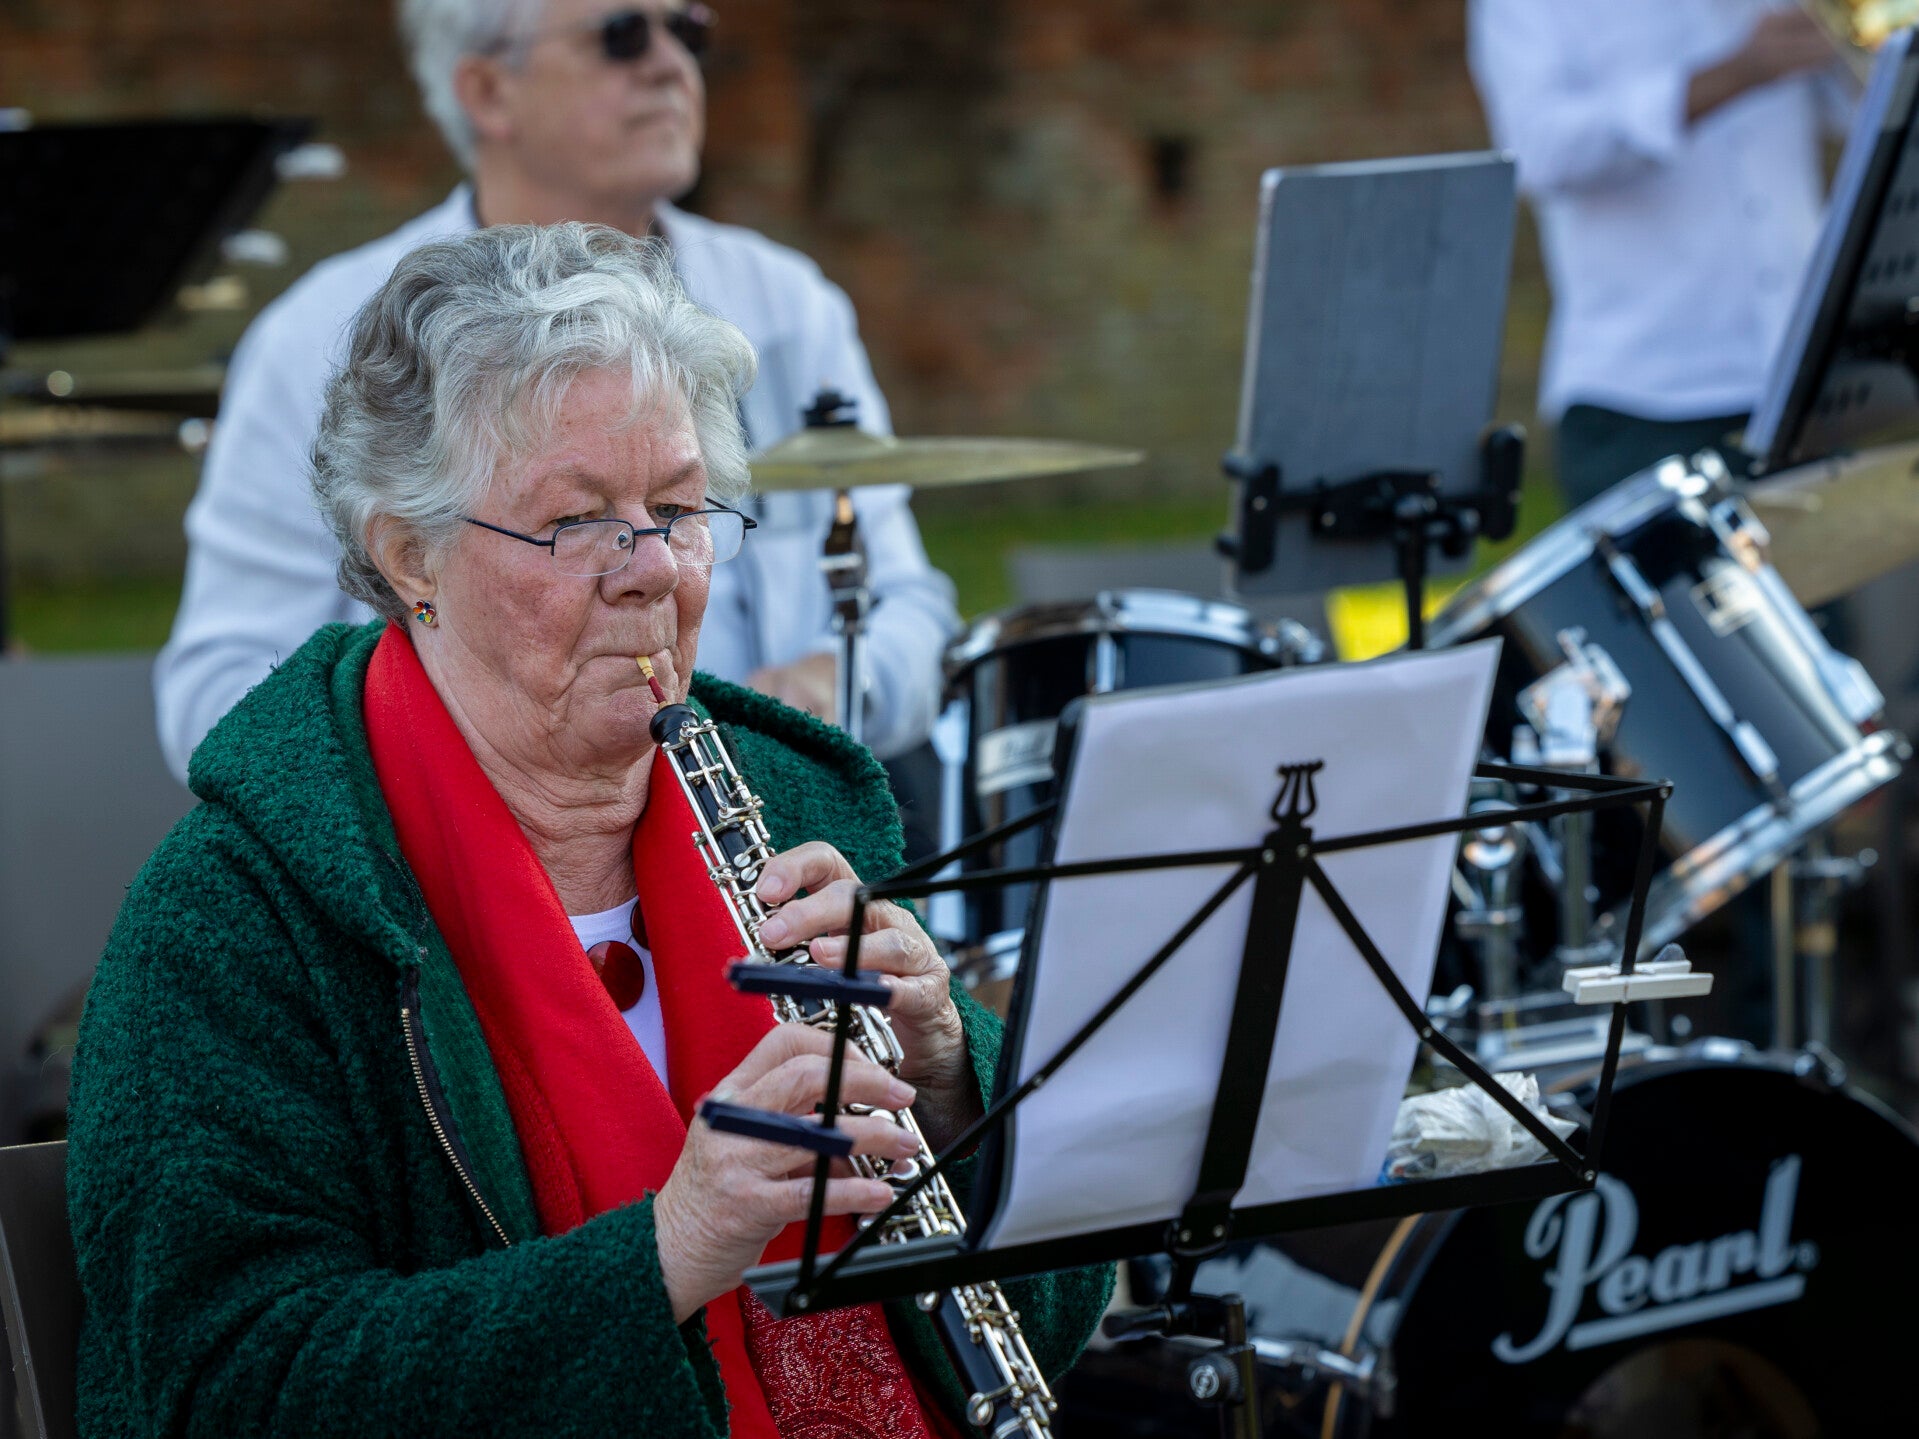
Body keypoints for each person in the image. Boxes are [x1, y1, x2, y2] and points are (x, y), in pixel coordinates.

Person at [69, 225, 1106, 1436]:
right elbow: (234, 1386)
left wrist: (946, 1083)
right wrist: (669, 1248)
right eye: (576, 521)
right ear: (410, 557)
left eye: (677, 507)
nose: (652, 568)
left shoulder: (795, 806)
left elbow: (1051, 1307)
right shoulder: (239, 914)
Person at [154, 0, 958, 785]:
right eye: (620, 35)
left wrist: (816, 700)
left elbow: (909, 612)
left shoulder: (787, 304)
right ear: (487, 92)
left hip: (769, 835)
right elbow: (218, 697)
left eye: (687, 29)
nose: (670, 64)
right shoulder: (322, 335)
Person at [1468, 0, 1853, 508]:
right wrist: (1732, 75)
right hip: (1646, 397)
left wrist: (1856, 46)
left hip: (1800, 376)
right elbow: (1539, 152)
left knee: (1820, 583)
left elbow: (1863, 110)